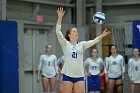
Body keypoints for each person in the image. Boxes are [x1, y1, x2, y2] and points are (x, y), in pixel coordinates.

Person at [56, 7, 110, 93]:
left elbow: (94, 41)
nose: (76, 32)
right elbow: (58, 33)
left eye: (77, 31)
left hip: (79, 76)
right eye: (74, 31)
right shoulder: (65, 44)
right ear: (69, 35)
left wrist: (102, 35)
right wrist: (60, 18)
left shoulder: (82, 45)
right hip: (67, 75)